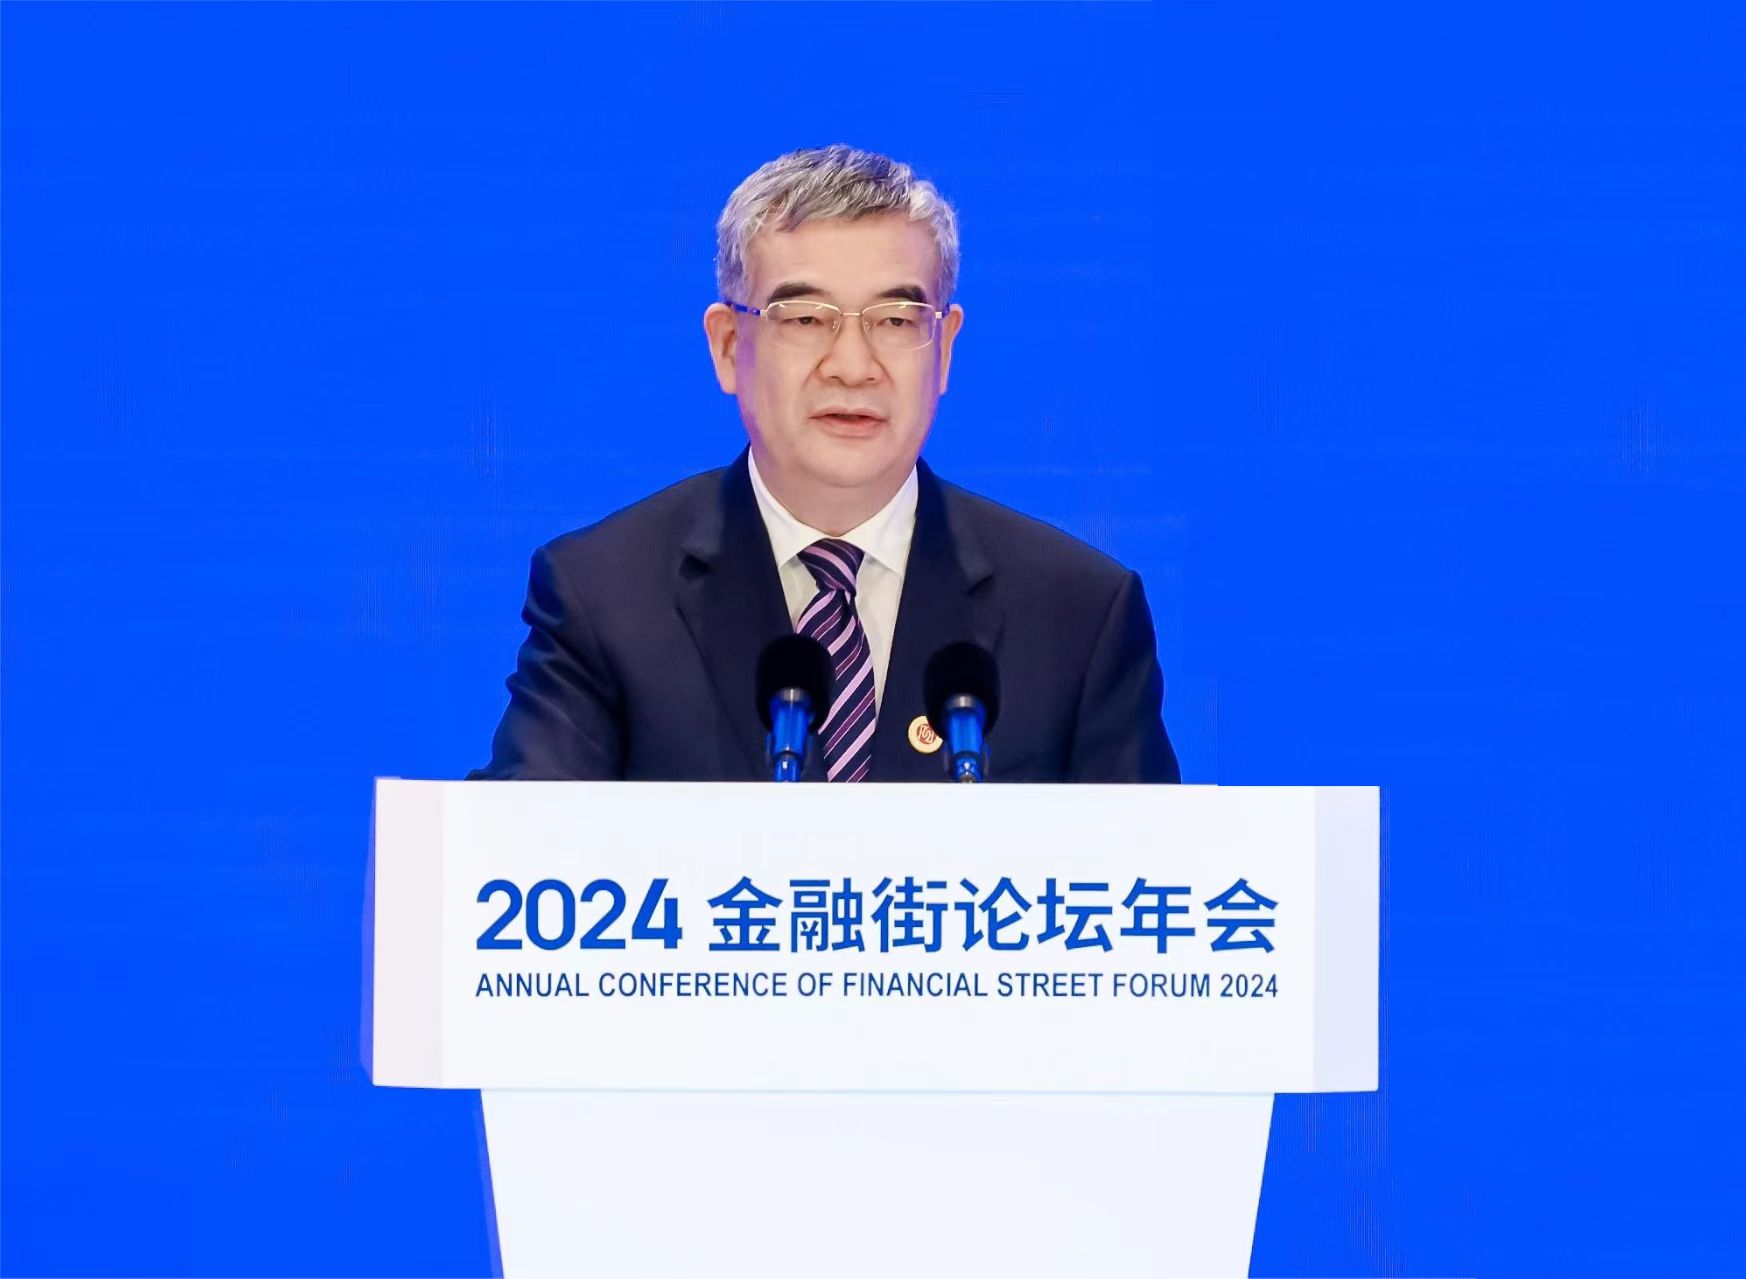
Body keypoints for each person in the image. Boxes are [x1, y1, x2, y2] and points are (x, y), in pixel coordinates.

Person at [472, 145, 1180, 784]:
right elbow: (510, 855)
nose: (852, 365)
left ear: (944, 349)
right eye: (806, 319)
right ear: (728, 346)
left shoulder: (1077, 613)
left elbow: (1151, 874)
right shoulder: (605, 596)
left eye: (895, 321)